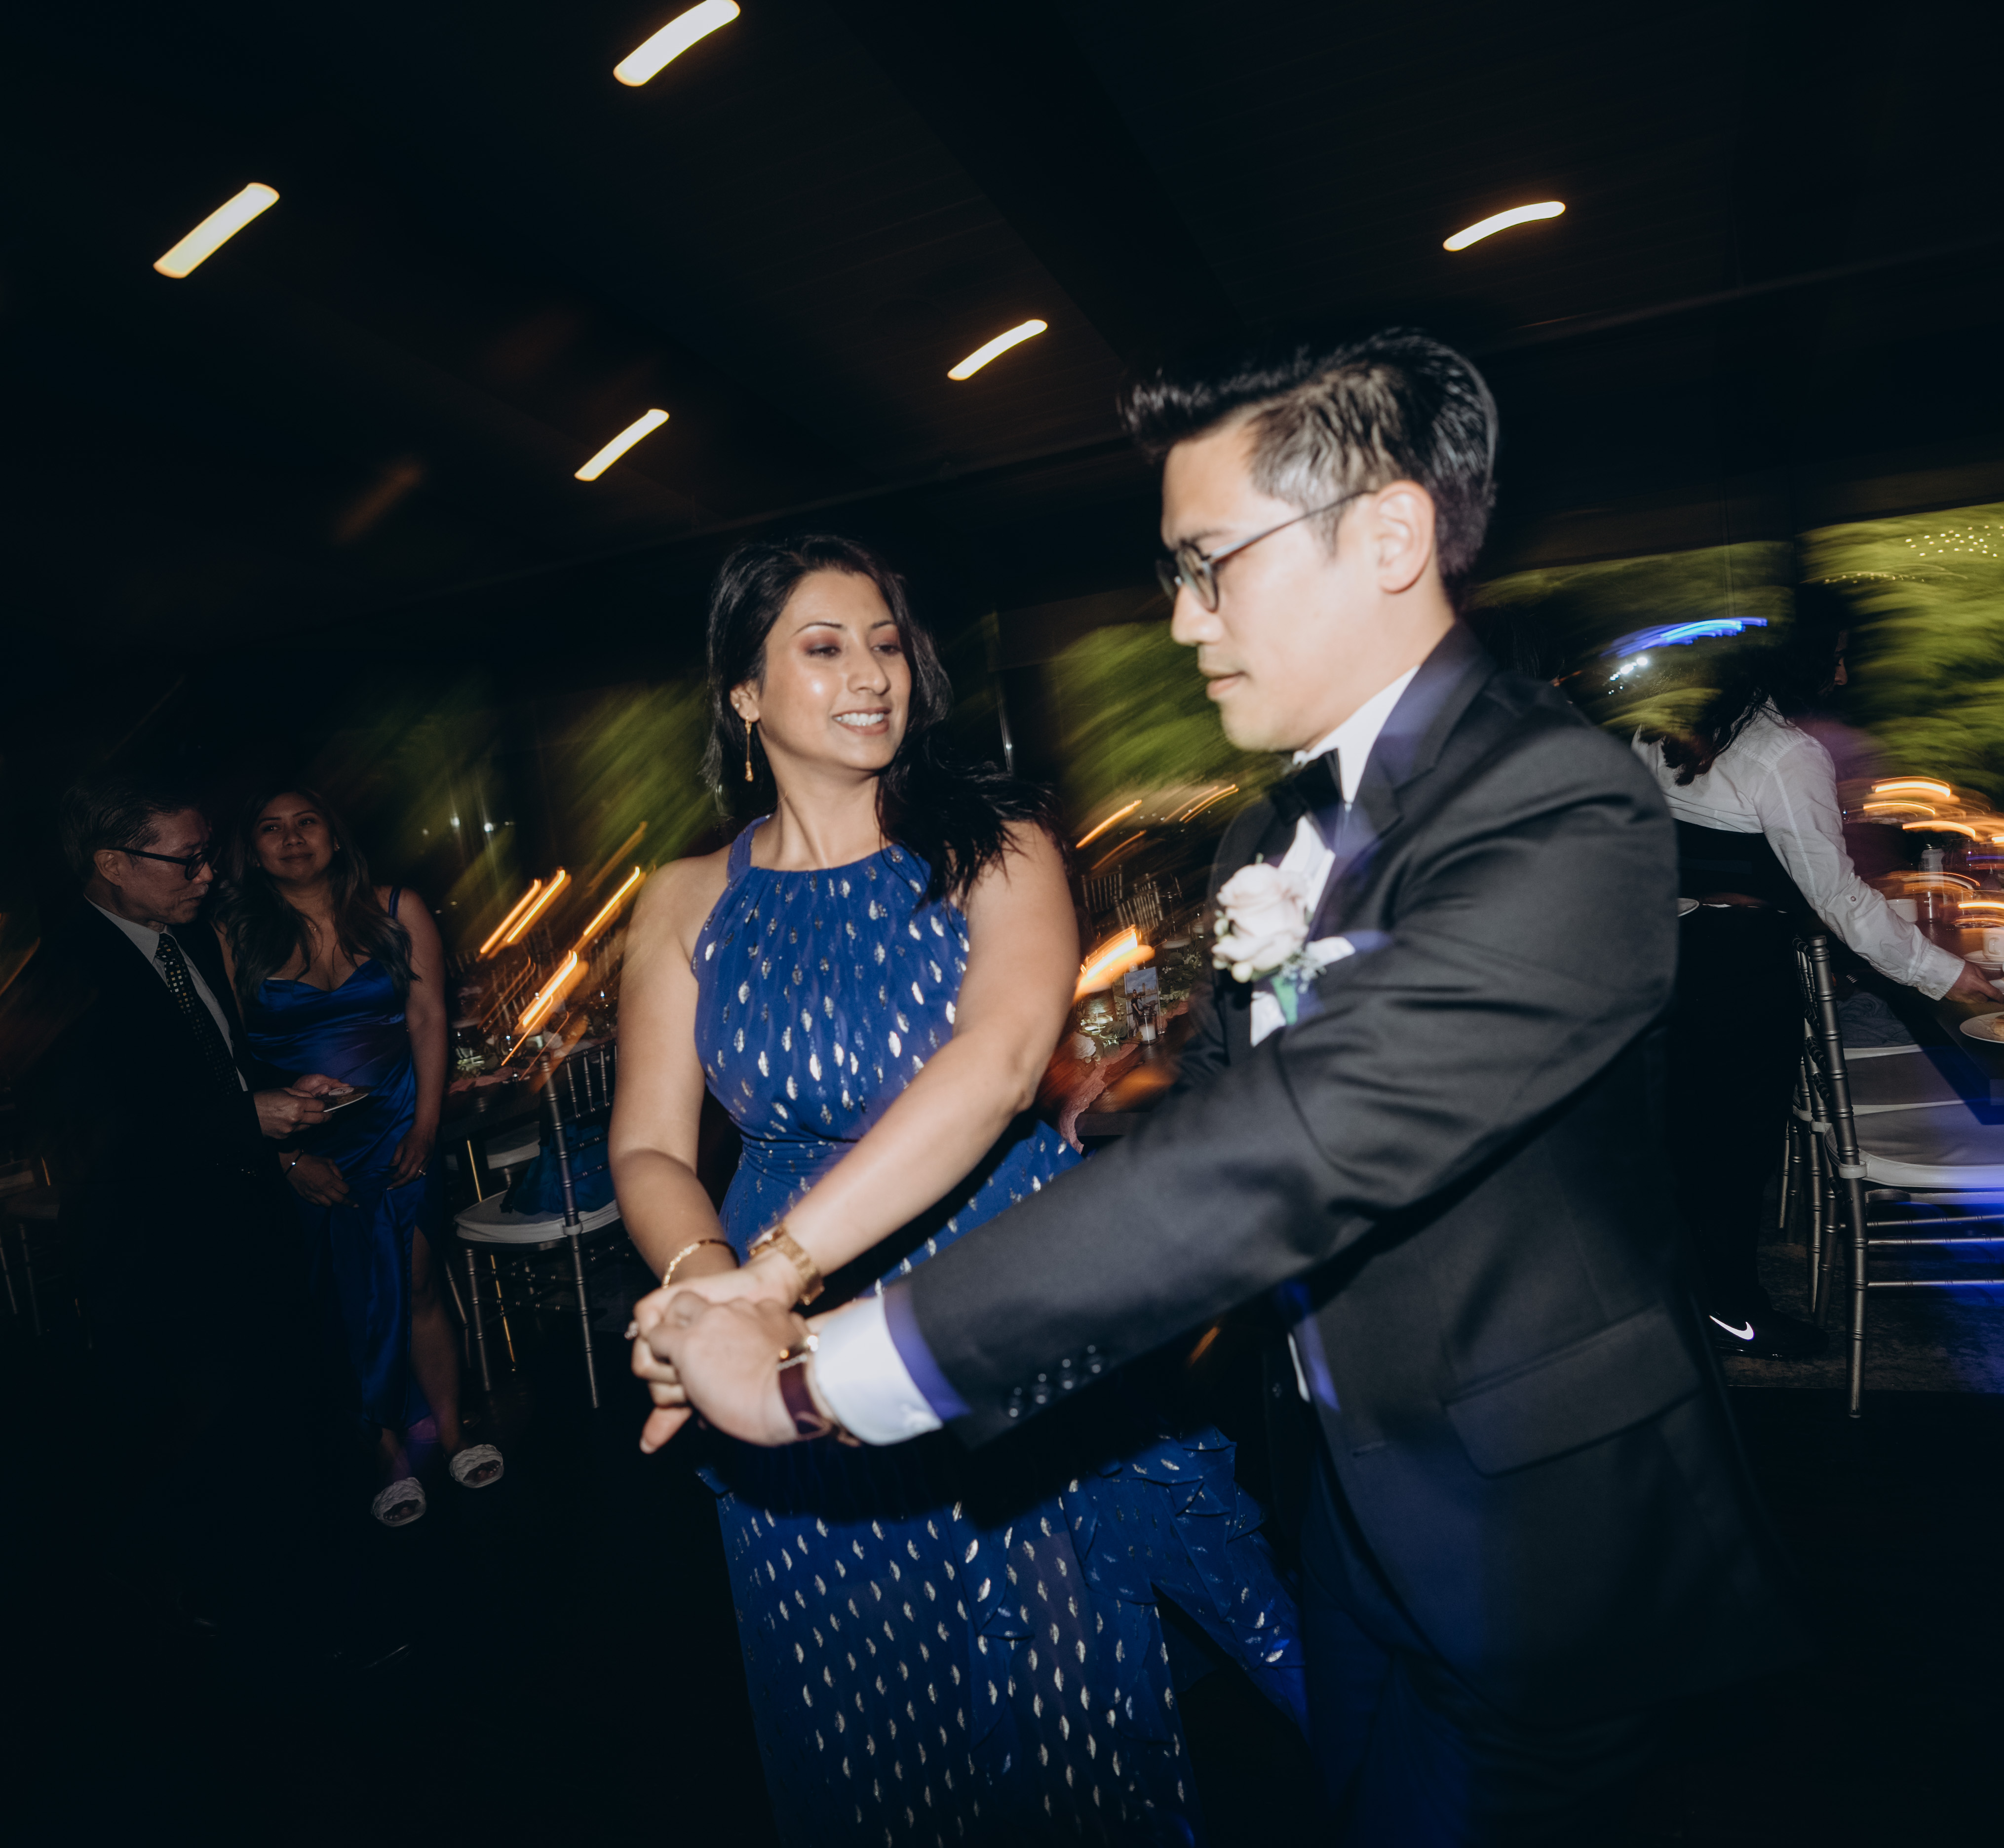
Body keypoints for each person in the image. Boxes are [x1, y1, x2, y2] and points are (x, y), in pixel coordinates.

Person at [639, 332, 1803, 1845]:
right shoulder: (1280, 830)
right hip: (1356, 1503)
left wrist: (814, 1372)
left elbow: (1292, 1146)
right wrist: (1116, 1099)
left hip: (1535, 1532)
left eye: (1209, 564)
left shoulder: (1560, 799)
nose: (1182, 616)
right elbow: (1228, 1110)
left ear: (1388, 537)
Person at [610, 535, 1304, 1845]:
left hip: (996, 1316)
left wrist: (771, 1280)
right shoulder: (685, 901)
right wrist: (709, 1290)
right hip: (780, 1357)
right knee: (860, 1730)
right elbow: (648, 1147)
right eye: (825, 648)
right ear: (744, 693)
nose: (873, 675)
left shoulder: (999, 845)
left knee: (1063, 1727)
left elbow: (997, 1066)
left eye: (886, 644)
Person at [1632, 589, 2001, 1359]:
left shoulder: (1665, 732)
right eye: (1836, 658)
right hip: (1740, 975)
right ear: (1800, 661)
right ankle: (1733, 1312)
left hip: (1671, 957)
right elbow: (1836, 896)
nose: (1842, 676)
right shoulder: (1785, 754)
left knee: (1690, 1140)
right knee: (1737, 1150)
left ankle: (1691, 1299)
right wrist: (1947, 975)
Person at [30, 770, 342, 1628]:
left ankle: (294, 1606)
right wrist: (245, 1117)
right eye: (187, 860)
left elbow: (214, 1069)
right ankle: (222, 1624)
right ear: (112, 863)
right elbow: (91, 1127)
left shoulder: (191, 941)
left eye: (208, 856)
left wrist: (278, 1103)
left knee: (276, 1428)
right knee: (203, 1452)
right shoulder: (63, 969)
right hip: (154, 1255)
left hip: (246, 1227)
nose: (209, 875)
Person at [219, 784, 492, 1528]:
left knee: (419, 1279)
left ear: (334, 836)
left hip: (401, 1120)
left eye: (306, 822)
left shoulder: (397, 908)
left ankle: (454, 1432)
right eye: (271, 828)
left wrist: (426, 1126)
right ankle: (386, 1453)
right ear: (253, 851)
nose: (292, 837)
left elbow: (429, 1017)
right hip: (303, 1140)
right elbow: (227, 1064)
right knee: (343, 1296)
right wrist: (285, 1161)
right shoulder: (231, 935)